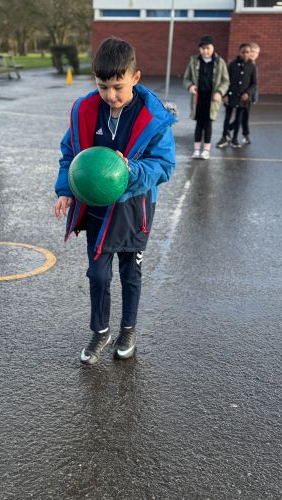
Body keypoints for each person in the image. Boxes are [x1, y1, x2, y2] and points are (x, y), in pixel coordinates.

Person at [54, 37, 176, 365]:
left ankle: (128, 329)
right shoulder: (86, 110)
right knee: (97, 275)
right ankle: (100, 331)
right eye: (102, 86)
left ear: (135, 78)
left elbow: (164, 166)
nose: (110, 95)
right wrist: (66, 189)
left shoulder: (153, 118)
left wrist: (130, 170)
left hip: (134, 210)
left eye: (118, 87)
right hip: (97, 210)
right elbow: (70, 154)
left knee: (130, 274)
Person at [183, 35, 229, 160]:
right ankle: (196, 149)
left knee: (208, 124)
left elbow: (226, 81)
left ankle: (206, 150)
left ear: (213, 48)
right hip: (198, 98)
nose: (205, 51)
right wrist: (190, 86)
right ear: (200, 49)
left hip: (212, 99)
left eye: (208, 48)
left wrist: (219, 92)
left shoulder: (220, 62)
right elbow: (186, 78)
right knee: (199, 123)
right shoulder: (194, 61)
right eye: (203, 48)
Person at [217, 43, 257, 149]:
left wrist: (248, 93)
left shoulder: (252, 66)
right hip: (231, 96)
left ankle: (235, 139)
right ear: (239, 52)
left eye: (248, 52)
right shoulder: (232, 64)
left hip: (243, 98)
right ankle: (224, 137)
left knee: (239, 118)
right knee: (227, 117)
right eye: (243, 52)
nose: (245, 54)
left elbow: (254, 84)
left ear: (250, 53)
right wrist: (225, 94)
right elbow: (226, 80)